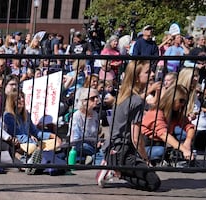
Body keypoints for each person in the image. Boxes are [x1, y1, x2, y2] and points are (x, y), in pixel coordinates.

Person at [98, 60, 161, 191]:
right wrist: (146, 160)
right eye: (147, 72)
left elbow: (152, 103)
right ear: (137, 77)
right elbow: (136, 138)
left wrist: (157, 91)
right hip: (123, 152)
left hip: (114, 147)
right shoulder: (136, 100)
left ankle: (116, 168)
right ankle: (117, 172)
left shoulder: (124, 96)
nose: (152, 74)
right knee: (154, 183)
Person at [141, 84, 195, 164]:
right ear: (172, 99)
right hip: (145, 145)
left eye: (185, 102)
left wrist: (188, 141)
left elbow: (190, 126)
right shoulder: (156, 112)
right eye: (181, 101)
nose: (183, 104)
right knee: (161, 151)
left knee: (183, 134)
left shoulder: (175, 113)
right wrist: (183, 149)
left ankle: (170, 155)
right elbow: (163, 134)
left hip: (161, 143)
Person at [68, 87, 102, 163]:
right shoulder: (77, 116)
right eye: (92, 98)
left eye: (97, 97)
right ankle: (94, 158)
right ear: (84, 101)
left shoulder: (95, 114)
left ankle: (92, 158)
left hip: (92, 144)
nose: (96, 100)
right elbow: (75, 139)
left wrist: (98, 141)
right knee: (82, 147)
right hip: (81, 144)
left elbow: (96, 133)